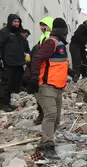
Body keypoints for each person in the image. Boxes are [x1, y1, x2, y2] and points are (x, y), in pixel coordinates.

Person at [27, 18, 69, 159]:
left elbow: (57, 64)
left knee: (56, 119)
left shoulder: (61, 45)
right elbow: (37, 58)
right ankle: (48, 147)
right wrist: (33, 78)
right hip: (45, 86)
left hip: (58, 87)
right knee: (50, 115)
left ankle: (43, 142)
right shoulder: (51, 42)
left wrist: (70, 72)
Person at [0, 14, 27, 112]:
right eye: (15, 21)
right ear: (10, 22)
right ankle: (3, 104)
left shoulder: (19, 33)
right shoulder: (4, 32)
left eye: (18, 22)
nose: (17, 24)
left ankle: (8, 103)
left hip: (17, 63)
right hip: (7, 63)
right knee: (5, 83)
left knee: (13, 84)